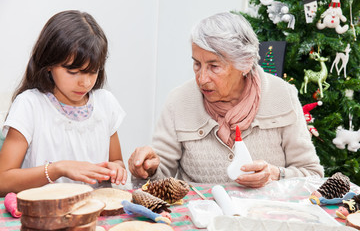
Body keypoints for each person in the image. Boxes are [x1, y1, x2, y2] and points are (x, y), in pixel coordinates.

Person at [128, 12, 324, 188]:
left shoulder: (282, 95)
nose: (202, 78)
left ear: (245, 64)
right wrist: (148, 169)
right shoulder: (178, 101)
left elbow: (312, 175)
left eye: (214, 66)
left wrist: (276, 175)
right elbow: (159, 182)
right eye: (197, 64)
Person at [0, 10, 127, 196]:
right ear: (49, 64)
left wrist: (116, 170)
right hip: (45, 216)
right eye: (73, 72)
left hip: (93, 213)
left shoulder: (105, 103)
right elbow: (3, 181)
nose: (84, 82)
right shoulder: (30, 105)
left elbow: (116, 161)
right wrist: (58, 168)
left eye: (92, 71)